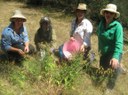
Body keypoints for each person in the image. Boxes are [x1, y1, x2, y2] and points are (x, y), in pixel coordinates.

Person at [96, 4, 123, 91]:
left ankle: (110, 88)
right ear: (104, 13)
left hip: (114, 52)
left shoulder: (118, 26)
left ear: (114, 15)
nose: (108, 14)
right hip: (104, 53)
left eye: (111, 13)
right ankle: (120, 68)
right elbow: (98, 34)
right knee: (102, 71)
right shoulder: (101, 23)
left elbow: (119, 42)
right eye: (107, 12)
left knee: (113, 71)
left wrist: (115, 57)